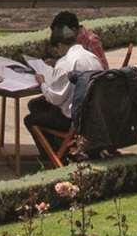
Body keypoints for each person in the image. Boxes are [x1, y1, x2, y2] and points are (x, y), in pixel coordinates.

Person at [26, 9, 107, 154]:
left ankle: (54, 154)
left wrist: (43, 83)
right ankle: (64, 148)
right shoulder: (91, 57)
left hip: (74, 119)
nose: (57, 53)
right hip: (94, 112)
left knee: (30, 119)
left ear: (60, 46)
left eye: (56, 50)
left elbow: (55, 99)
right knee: (36, 105)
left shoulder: (65, 62)